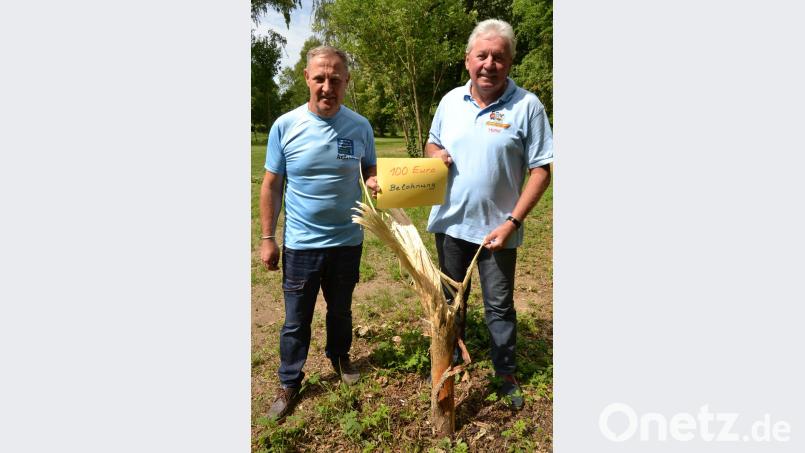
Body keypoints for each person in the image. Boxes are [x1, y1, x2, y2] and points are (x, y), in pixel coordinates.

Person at [425, 19, 553, 410]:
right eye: (482, 55)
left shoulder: (527, 106)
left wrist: (512, 222)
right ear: (468, 59)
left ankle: (505, 373)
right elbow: (432, 143)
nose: (489, 64)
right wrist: (435, 155)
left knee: (498, 306)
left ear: (510, 62)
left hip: (498, 232)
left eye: (498, 57)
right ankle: (450, 364)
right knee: (451, 304)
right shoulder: (450, 101)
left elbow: (542, 170)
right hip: (451, 225)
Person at [259, 45, 379, 420]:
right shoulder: (285, 125)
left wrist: (375, 181)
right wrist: (267, 238)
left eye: (335, 79)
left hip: (347, 241)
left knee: (341, 311)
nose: (328, 87)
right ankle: (289, 381)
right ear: (307, 78)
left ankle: (340, 357)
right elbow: (271, 185)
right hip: (301, 245)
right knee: (296, 320)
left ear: (347, 81)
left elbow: (370, 169)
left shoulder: (360, 127)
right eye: (320, 78)